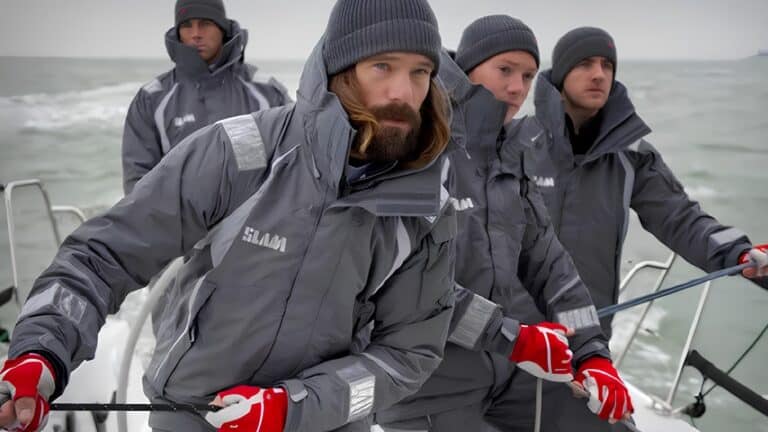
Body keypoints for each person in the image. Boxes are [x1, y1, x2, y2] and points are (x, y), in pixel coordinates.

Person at [0, 1, 459, 431]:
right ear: (342, 69)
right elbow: (104, 255)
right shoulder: (233, 153)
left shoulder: (426, 209)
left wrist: (293, 407)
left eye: (420, 71)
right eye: (382, 66)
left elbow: (408, 355)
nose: (404, 92)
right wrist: (41, 350)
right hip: (192, 414)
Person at [378, 15, 633, 432]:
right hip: (424, 386)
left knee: (612, 424)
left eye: (528, 75)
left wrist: (593, 354)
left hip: (504, 371)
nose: (517, 87)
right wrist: (515, 338)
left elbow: (550, 265)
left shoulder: (510, 156)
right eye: (505, 70)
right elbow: (411, 287)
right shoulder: (420, 148)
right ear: (467, 70)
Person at [528, 26, 768, 339]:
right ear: (561, 76)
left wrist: (739, 254)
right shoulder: (514, 145)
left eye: (607, 65)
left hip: (584, 337)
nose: (598, 74)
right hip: (511, 336)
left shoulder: (632, 156)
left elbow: (680, 219)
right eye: (585, 64)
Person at [121, 0, 291, 195]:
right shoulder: (151, 99)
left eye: (205, 23)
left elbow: (295, 162)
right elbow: (138, 184)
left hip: (257, 213)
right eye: (187, 25)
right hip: (180, 215)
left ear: (222, 29)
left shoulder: (267, 92)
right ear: (178, 33)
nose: (196, 34)